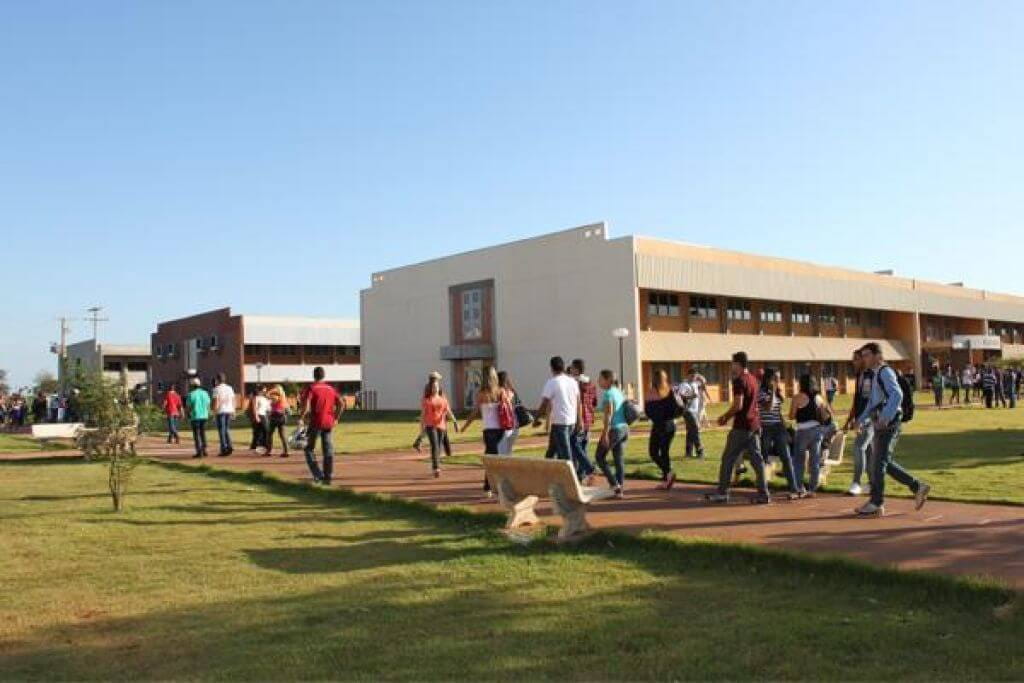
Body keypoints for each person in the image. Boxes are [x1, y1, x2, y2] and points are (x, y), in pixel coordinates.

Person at [854, 343, 930, 517]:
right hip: (882, 422)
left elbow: (897, 395)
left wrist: (885, 417)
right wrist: (860, 420)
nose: (863, 358)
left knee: (878, 464)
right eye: (862, 355)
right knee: (882, 463)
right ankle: (918, 487)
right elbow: (873, 403)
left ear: (877, 356)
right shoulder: (874, 375)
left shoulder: (884, 372)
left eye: (866, 355)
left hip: (889, 423)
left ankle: (876, 503)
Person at [707, 352, 770, 504]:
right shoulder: (754, 380)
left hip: (741, 427)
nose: (731, 366)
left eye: (733, 363)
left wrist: (725, 417)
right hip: (754, 425)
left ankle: (722, 492)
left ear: (738, 364)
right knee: (757, 461)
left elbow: (738, 405)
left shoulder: (739, 381)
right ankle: (764, 493)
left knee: (728, 459)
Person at [462, 366, 511, 491]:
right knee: (496, 458)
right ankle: (492, 485)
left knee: (491, 458)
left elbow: (475, 412)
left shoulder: (481, 394)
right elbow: (509, 407)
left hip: (489, 430)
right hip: (500, 429)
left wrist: (465, 425)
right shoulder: (500, 391)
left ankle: (489, 486)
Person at [758, 368, 801, 497]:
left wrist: (785, 428)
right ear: (768, 379)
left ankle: (794, 488)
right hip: (766, 428)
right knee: (763, 458)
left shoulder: (777, 393)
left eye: (779, 378)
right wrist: (772, 392)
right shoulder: (761, 392)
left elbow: (777, 412)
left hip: (778, 427)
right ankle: (762, 487)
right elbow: (768, 407)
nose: (778, 380)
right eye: (775, 378)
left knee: (786, 457)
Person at [789, 374, 832, 497]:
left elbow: (791, 416)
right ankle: (812, 489)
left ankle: (799, 487)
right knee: (815, 460)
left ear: (801, 384)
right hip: (817, 431)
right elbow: (826, 416)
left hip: (802, 431)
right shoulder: (819, 397)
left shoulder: (797, 397)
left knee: (799, 461)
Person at [534, 356, 582, 465]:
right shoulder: (572, 381)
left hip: (560, 422)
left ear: (551, 368)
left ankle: (571, 478)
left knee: (565, 455)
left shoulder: (552, 382)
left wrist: (536, 418)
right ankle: (546, 472)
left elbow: (544, 402)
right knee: (552, 450)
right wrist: (579, 420)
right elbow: (578, 402)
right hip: (571, 421)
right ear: (564, 366)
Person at [301, 366, 345, 484]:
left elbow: (306, 406)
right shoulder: (330, 389)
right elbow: (341, 404)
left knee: (308, 448)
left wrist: (301, 417)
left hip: (315, 422)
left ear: (314, 375)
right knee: (328, 450)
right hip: (328, 422)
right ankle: (328, 476)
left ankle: (318, 474)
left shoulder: (311, 388)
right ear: (324, 375)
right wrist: (336, 418)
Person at [842, 350, 874, 496]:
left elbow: (871, 401)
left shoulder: (870, 376)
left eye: (856, 359)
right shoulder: (859, 376)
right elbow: (857, 401)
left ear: (863, 360)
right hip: (861, 419)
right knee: (868, 451)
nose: (853, 362)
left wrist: (863, 420)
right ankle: (873, 483)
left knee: (858, 447)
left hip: (871, 419)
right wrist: (850, 420)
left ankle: (857, 483)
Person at [594, 369, 629, 498]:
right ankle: (619, 487)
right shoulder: (619, 392)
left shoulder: (608, 394)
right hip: (624, 428)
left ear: (608, 379)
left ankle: (615, 485)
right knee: (618, 459)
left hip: (614, 429)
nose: (598, 381)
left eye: (600, 378)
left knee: (599, 457)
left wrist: (604, 433)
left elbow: (609, 414)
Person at [643, 368, 678, 489]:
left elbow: (648, 411)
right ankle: (667, 480)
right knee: (664, 452)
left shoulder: (651, 392)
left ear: (654, 379)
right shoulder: (671, 390)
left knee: (653, 452)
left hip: (659, 425)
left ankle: (668, 473)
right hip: (671, 425)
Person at [419, 374, 458, 478]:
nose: (435, 389)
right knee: (434, 445)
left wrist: (454, 421)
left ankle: (436, 464)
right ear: (430, 388)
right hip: (430, 425)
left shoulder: (443, 399)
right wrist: (421, 430)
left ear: (439, 388)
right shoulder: (427, 400)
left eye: (436, 387)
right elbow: (423, 415)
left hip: (441, 426)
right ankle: (436, 468)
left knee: (439, 447)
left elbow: (448, 411)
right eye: (433, 387)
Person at [567, 359, 598, 484]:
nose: (570, 369)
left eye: (572, 367)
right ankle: (580, 476)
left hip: (578, 418)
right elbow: (595, 401)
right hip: (589, 418)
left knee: (574, 445)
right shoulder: (591, 383)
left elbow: (574, 401)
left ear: (576, 369)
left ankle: (590, 468)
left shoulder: (575, 383)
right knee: (583, 447)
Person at [678, 369, 705, 458]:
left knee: (690, 431)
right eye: (692, 376)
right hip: (687, 410)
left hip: (694, 411)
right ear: (688, 375)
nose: (694, 378)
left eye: (695, 376)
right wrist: (691, 396)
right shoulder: (684, 385)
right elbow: (680, 396)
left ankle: (688, 452)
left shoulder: (695, 383)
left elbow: (704, 382)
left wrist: (700, 377)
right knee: (696, 429)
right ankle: (700, 451)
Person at [185, 378, 211, 459]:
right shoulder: (205, 393)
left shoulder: (191, 394)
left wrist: (188, 415)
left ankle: (199, 451)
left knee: (196, 434)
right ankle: (204, 450)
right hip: (204, 416)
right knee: (203, 433)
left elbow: (188, 407)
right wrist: (208, 413)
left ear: (192, 386)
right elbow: (208, 404)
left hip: (195, 416)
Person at [211, 374, 236, 456]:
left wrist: (214, 414)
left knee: (221, 430)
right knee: (226, 429)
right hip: (229, 410)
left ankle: (224, 448)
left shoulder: (216, 389)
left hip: (220, 411)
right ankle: (230, 445)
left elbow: (216, 402)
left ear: (218, 380)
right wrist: (233, 411)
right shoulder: (229, 388)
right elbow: (233, 400)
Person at [497, 371, 520, 454]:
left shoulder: (500, 392)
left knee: (502, 452)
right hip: (515, 424)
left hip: (506, 424)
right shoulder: (512, 392)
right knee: (509, 451)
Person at [266, 384, 290, 457]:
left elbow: (268, 396)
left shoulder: (276, 396)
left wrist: (271, 391)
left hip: (276, 416)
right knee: (282, 435)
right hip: (281, 416)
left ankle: (269, 451)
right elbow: (287, 408)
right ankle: (286, 451)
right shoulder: (284, 397)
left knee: (270, 434)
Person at [249, 386, 271, 454]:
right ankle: (255, 447)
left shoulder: (265, 399)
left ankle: (263, 447)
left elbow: (268, 408)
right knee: (257, 433)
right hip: (258, 415)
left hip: (264, 416)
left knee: (265, 431)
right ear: (259, 391)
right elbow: (254, 408)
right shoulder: (256, 397)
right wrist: (256, 416)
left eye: (265, 391)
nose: (264, 392)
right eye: (263, 391)